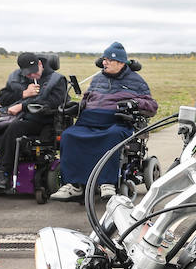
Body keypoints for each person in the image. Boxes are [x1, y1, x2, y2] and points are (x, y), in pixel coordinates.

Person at [49, 42, 158, 201]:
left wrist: (135, 104)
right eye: (104, 59)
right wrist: (77, 107)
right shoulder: (97, 79)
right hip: (90, 120)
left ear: (121, 63)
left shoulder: (136, 81)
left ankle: (107, 183)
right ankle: (74, 185)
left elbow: (152, 106)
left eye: (108, 60)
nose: (104, 63)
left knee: (112, 136)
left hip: (117, 121)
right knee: (69, 135)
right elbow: (87, 99)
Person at [0, 52, 68, 191]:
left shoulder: (56, 80)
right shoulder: (16, 77)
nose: (31, 76)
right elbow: (3, 99)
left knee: (16, 128)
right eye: (28, 74)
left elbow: (54, 103)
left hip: (37, 121)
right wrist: (23, 94)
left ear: (40, 64)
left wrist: (23, 106)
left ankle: (3, 174)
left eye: (33, 72)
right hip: (8, 118)